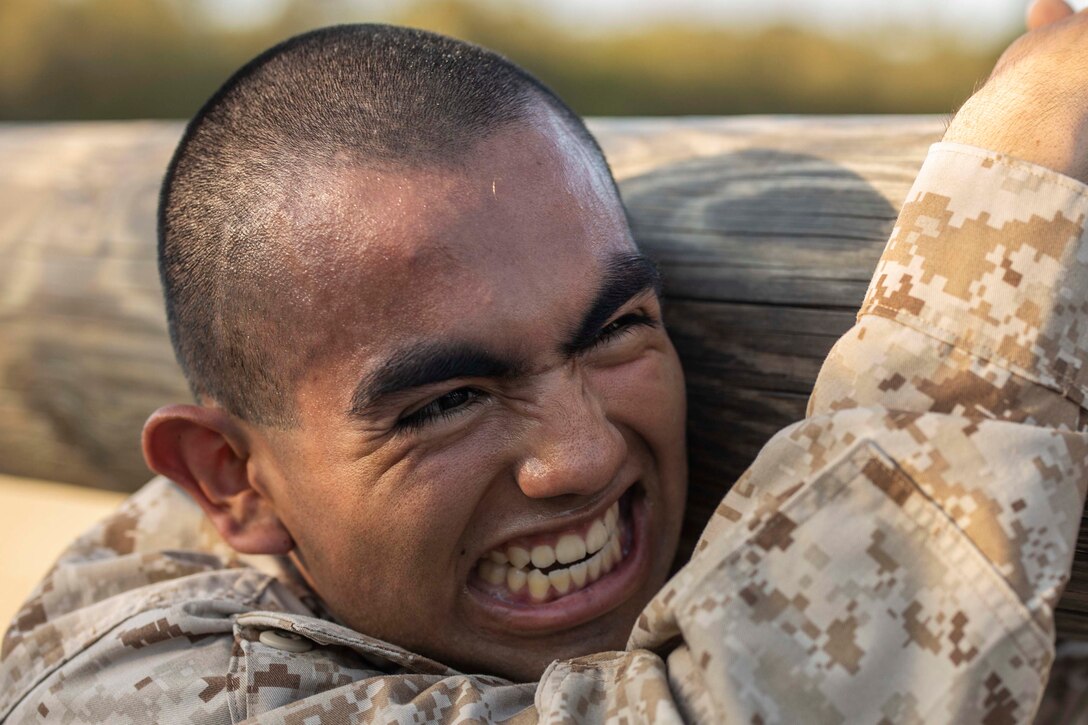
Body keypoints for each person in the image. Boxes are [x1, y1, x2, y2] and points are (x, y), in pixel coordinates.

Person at [4, 0, 1088, 721]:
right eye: (448, 400)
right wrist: (1020, 174)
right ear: (231, 480)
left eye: (613, 329)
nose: (577, 454)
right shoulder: (143, 693)